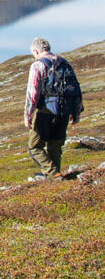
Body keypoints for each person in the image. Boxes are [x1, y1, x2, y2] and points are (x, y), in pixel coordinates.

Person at [24, 37, 83, 179]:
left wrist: (28, 114)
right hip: (64, 110)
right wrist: (76, 112)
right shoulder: (64, 63)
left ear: (36, 51)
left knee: (35, 146)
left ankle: (53, 175)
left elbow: (33, 92)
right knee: (55, 145)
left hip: (46, 111)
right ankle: (55, 175)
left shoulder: (38, 65)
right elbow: (76, 88)